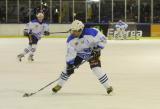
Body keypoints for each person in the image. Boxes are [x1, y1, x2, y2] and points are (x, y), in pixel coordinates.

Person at [52, 20, 113, 94]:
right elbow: (70, 53)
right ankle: (59, 85)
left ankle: (108, 87)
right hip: (79, 54)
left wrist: (97, 49)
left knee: (96, 69)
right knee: (67, 68)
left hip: (92, 52)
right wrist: (70, 64)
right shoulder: (70, 40)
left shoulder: (92, 33)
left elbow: (103, 40)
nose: (73, 33)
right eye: (72, 31)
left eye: (75, 31)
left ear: (81, 30)